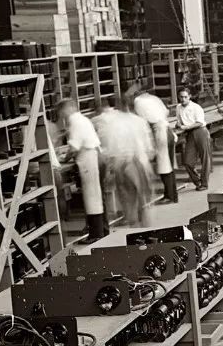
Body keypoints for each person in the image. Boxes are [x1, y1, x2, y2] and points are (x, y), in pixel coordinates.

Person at [96, 102, 154, 227]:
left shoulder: (114, 124)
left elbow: (110, 146)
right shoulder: (139, 121)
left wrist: (111, 164)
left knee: (127, 196)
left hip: (123, 162)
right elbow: (148, 144)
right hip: (139, 160)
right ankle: (144, 222)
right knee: (142, 195)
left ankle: (133, 221)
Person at [56, 99, 105, 240]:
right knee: (96, 197)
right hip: (93, 156)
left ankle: (96, 235)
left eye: (61, 111)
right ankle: (101, 231)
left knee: (92, 198)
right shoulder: (83, 119)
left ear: (67, 109)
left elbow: (74, 147)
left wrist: (64, 159)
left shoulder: (75, 121)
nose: (61, 115)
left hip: (88, 159)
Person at [130, 84, 177, 204]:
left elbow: (141, 122)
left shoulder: (138, 101)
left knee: (164, 166)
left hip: (160, 133)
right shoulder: (154, 98)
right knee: (169, 165)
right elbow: (166, 112)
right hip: (168, 131)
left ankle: (170, 196)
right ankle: (172, 195)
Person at [175, 87, 211, 192]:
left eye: (185, 97)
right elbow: (179, 121)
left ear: (189, 97)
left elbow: (199, 122)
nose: (183, 99)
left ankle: (204, 184)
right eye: (181, 97)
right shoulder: (178, 107)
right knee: (187, 161)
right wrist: (179, 124)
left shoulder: (196, 107)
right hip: (190, 134)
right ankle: (197, 181)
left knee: (205, 158)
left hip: (201, 132)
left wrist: (186, 127)